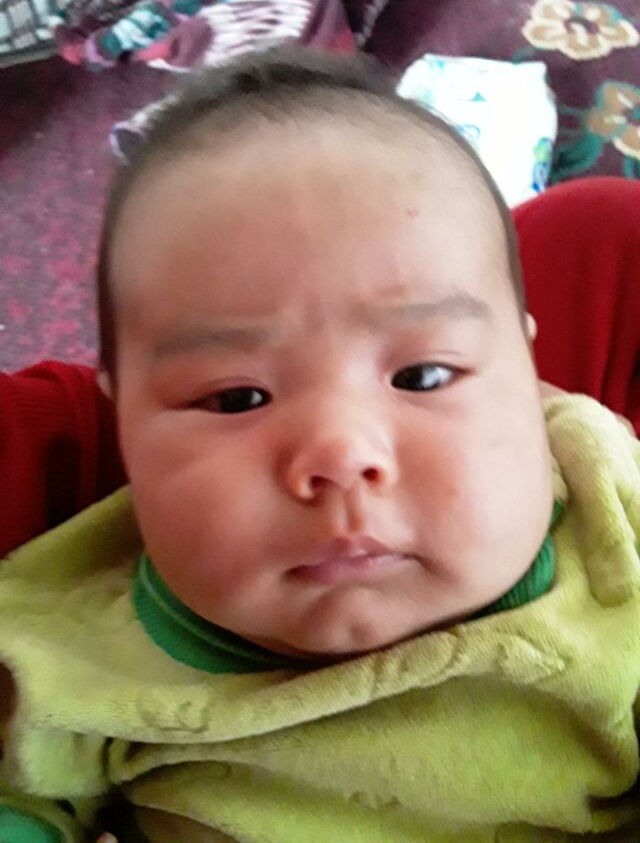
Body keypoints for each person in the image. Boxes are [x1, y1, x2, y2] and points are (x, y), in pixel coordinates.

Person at [0, 49, 639, 842]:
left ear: (528, 372)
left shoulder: (612, 531)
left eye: (423, 375)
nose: (340, 454)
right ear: (122, 424)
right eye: (237, 397)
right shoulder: (66, 652)